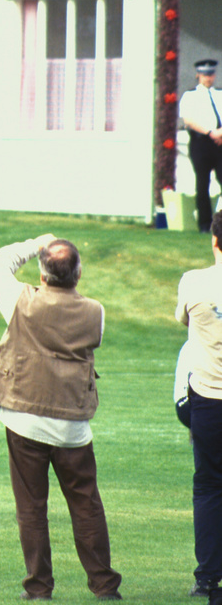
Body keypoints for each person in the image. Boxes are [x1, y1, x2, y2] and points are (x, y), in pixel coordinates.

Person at [0, 235, 121, 601]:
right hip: (73, 424)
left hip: (24, 417)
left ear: (43, 274)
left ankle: (39, 587)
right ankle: (104, 585)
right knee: (86, 505)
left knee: (31, 508)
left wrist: (35, 243)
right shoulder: (96, 311)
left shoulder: (20, 301)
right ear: (78, 275)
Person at [176, 209, 222, 601]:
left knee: (208, 486)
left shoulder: (194, 282)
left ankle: (208, 577)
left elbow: (182, 321)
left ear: (214, 239)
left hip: (208, 399)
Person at [179, 59, 222, 232]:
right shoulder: (190, 95)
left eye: (211, 74)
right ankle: (205, 224)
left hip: (220, 142)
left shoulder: (220, 94)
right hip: (201, 142)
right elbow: (188, 120)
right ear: (198, 75)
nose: (208, 78)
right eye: (205, 75)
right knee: (202, 183)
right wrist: (210, 132)